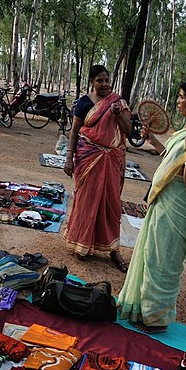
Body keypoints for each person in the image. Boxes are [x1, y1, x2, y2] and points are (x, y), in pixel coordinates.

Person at [118, 81, 186, 333]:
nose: (178, 101)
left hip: (177, 209)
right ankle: (141, 310)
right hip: (162, 203)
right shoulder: (185, 132)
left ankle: (157, 318)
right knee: (151, 256)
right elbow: (171, 162)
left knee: (165, 263)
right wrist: (152, 140)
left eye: (182, 97)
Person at [63, 65, 132, 271]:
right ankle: (82, 244)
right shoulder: (84, 103)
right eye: (99, 80)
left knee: (111, 204)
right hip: (88, 158)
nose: (104, 84)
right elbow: (74, 131)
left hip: (112, 159)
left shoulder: (118, 103)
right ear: (92, 82)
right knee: (86, 201)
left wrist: (118, 115)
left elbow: (128, 130)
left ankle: (114, 250)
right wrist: (69, 157)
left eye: (106, 80)